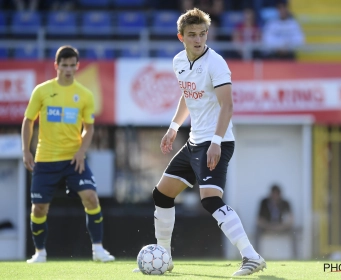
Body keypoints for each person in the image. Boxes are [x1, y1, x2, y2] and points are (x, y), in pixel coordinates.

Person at [133, 8, 266, 276]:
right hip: (194, 142)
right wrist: (173, 127)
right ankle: (164, 257)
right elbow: (188, 95)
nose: (198, 39)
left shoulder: (216, 62)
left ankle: (251, 257)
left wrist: (216, 142)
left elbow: (227, 106)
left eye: (202, 34)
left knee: (210, 200)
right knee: (162, 194)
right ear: (181, 36)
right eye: (192, 34)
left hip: (217, 141)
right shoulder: (179, 61)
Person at [21, 46, 115, 263]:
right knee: (39, 208)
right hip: (45, 159)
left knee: (91, 198)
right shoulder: (42, 91)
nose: (69, 69)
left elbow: (89, 127)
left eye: (73, 65)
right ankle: (40, 252)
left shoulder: (84, 94)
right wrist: (26, 150)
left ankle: (98, 250)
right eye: (64, 65)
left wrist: (82, 151)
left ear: (77, 66)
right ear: (56, 66)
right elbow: (28, 121)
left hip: (74, 159)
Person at [255, 184, 296, 257]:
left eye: (277, 194)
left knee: (294, 231)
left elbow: (291, 219)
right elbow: (259, 220)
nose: (275, 196)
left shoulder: (285, 203)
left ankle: (295, 256)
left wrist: (280, 226)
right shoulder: (264, 202)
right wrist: (269, 226)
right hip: (267, 227)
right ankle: (256, 256)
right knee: (257, 230)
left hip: (281, 227)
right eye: (273, 194)